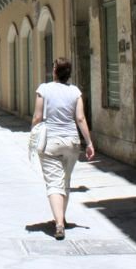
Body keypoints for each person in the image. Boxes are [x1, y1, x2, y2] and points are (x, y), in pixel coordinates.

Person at [31, 57, 95, 240]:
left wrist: (33, 137)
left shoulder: (43, 89)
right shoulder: (75, 92)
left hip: (51, 142)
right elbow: (80, 119)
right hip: (72, 143)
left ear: (54, 71)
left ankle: (59, 223)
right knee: (65, 181)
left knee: (54, 183)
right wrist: (89, 142)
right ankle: (63, 217)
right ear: (69, 74)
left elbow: (37, 117)